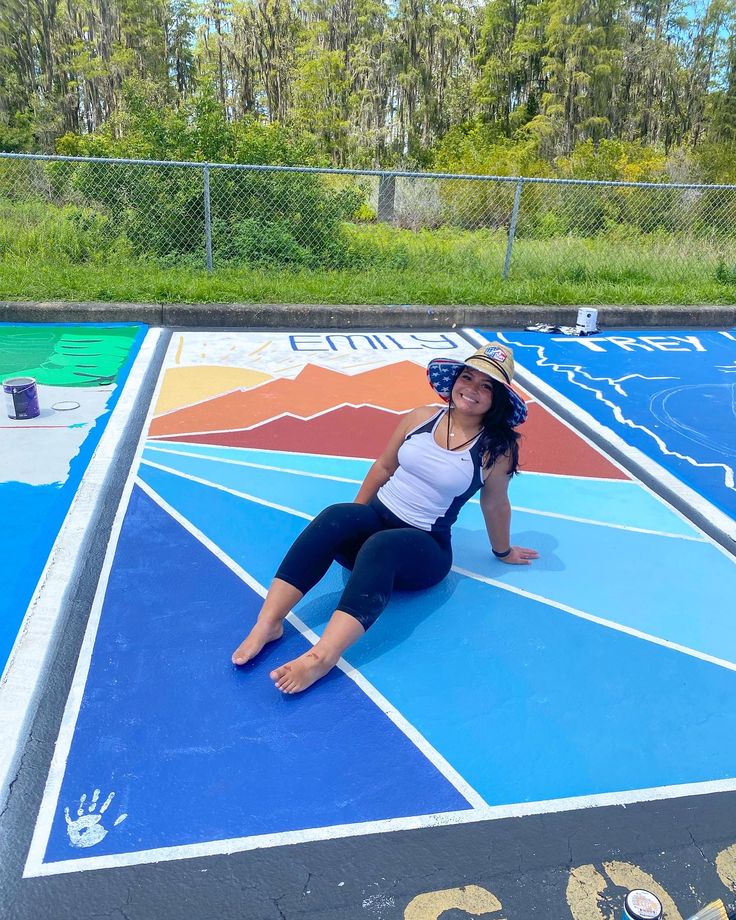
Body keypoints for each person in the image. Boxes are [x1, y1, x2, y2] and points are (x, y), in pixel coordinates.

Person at [231, 342, 539, 693]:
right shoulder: (420, 418)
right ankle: (268, 623)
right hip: (377, 522)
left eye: (486, 386)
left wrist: (503, 551)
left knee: (381, 546)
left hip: (423, 549)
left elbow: (495, 503)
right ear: (453, 381)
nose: (472, 389)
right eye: (467, 377)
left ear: (497, 399)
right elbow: (383, 466)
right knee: (335, 516)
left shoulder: (495, 449)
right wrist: (353, 518)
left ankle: (322, 657)